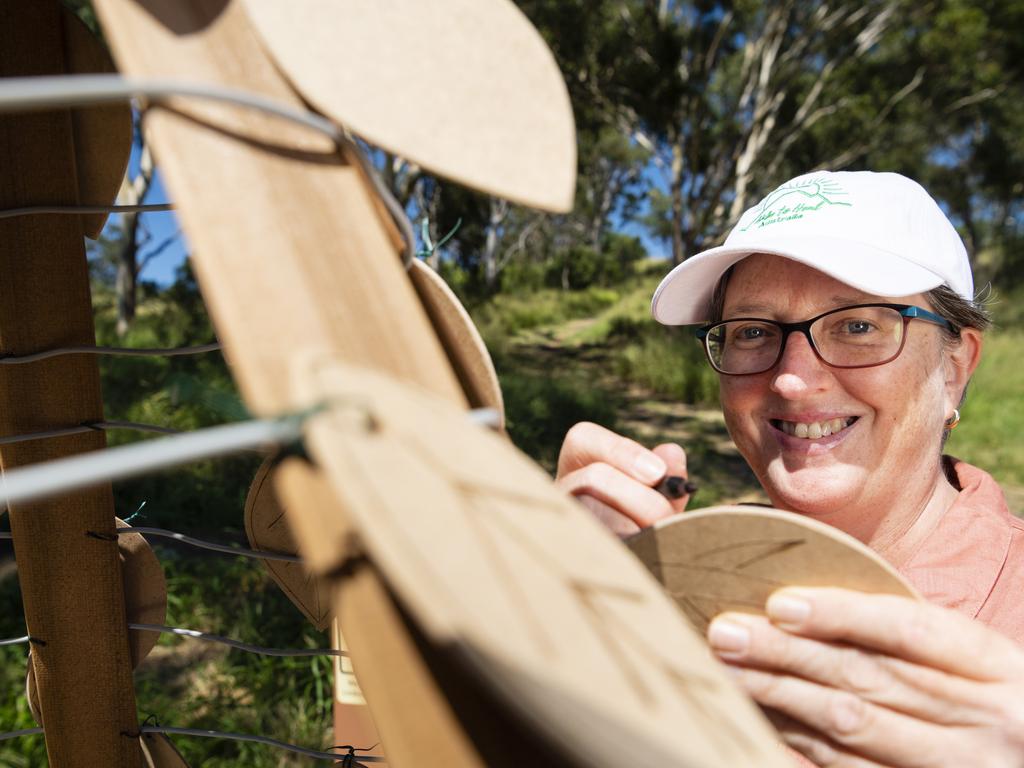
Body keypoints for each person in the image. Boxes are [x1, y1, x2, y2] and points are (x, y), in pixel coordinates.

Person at [555, 171, 1024, 767]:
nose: (792, 379)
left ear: (956, 364)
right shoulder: (660, 577)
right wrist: (538, 615)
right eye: (753, 331)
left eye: (857, 325)